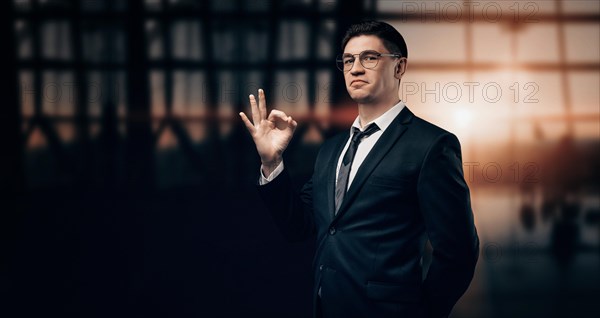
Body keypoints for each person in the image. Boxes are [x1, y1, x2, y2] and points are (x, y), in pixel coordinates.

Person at [239, 20, 479, 318]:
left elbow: (458, 253)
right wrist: (271, 162)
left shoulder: (431, 146)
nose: (355, 69)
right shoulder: (331, 150)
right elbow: (298, 227)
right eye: (348, 60)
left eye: (369, 57)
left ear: (399, 67)